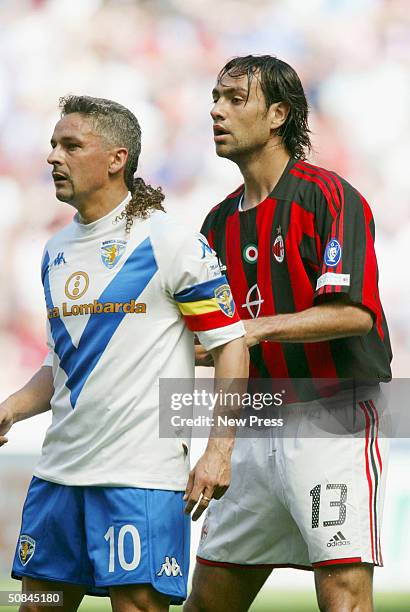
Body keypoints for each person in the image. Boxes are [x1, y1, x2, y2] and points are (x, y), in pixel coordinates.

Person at [0, 95, 248, 612]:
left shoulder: (170, 242)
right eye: (52, 145)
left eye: (71, 145)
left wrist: (218, 449)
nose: (53, 157)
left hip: (140, 480)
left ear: (117, 158)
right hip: (58, 475)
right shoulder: (54, 251)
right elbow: (62, 366)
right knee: (37, 605)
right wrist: (12, 408)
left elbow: (231, 346)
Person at [185, 56, 392, 612]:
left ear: (277, 114)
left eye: (234, 99)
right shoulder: (216, 223)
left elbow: (355, 314)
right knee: (207, 601)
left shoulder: (327, 195)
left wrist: (247, 330)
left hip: (332, 419)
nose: (216, 110)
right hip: (254, 427)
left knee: (344, 596)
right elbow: (212, 343)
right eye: (215, 97)